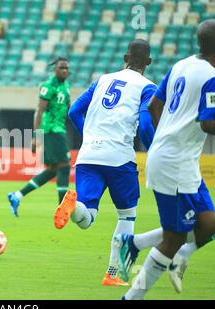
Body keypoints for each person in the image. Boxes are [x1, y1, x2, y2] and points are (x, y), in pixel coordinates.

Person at [118, 19, 215, 300]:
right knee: (173, 237)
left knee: (208, 223)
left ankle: (135, 243)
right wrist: (172, 141)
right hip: (175, 163)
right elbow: (209, 124)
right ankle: (132, 298)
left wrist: (167, 136)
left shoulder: (182, 65)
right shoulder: (211, 76)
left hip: (177, 159)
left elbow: (153, 106)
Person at [55, 39, 157, 286]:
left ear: (125, 57)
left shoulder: (102, 79)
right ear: (149, 62)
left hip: (88, 154)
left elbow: (73, 112)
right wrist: (153, 149)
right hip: (119, 157)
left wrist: (88, 136)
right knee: (126, 216)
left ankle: (73, 207)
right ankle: (114, 273)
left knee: (87, 217)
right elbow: (144, 123)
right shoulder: (148, 87)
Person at [7, 57, 71, 217]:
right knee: (64, 165)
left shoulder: (65, 86)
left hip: (59, 129)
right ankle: (62, 207)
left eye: (67, 68)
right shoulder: (48, 86)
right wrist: (36, 137)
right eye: (61, 67)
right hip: (51, 130)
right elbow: (39, 111)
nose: (65, 71)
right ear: (55, 69)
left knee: (53, 169)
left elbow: (67, 109)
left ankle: (17, 195)